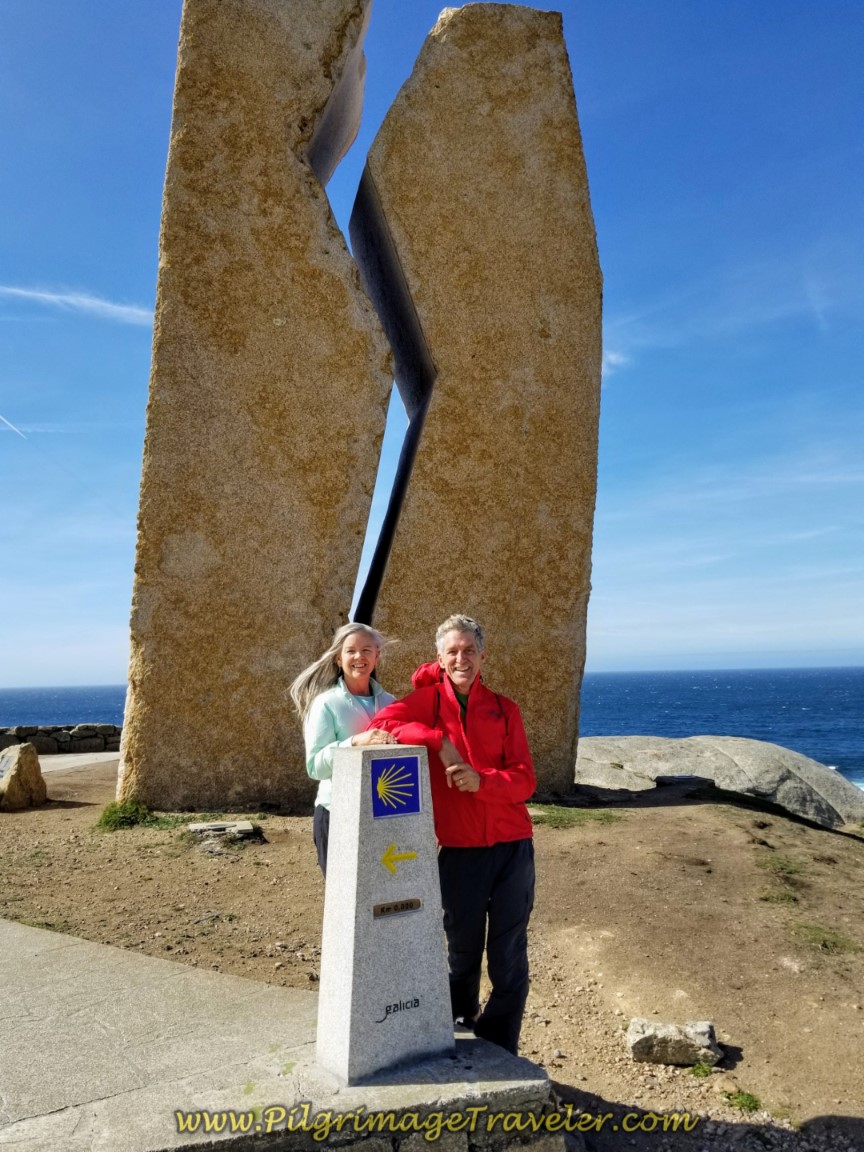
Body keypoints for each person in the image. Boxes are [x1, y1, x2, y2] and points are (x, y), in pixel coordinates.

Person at [372, 614, 535, 1055]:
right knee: (462, 951)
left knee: (508, 955)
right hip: (460, 851)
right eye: (453, 652)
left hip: (513, 847)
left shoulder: (504, 708)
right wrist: (437, 741)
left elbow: (525, 780)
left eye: (469, 650)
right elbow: (383, 725)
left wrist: (483, 782)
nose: (461, 658)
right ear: (440, 659)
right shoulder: (427, 702)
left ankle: (500, 1046)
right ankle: (457, 1032)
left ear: (483, 656)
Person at [290, 622, 398, 876]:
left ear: (377, 656)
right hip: (336, 813)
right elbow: (315, 766)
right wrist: (354, 742)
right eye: (351, 651)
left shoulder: (391, 703)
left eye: (366, 650)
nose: (359, 657)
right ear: (339, 658)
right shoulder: (325, 704)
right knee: (343, 903)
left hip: (381, 816)